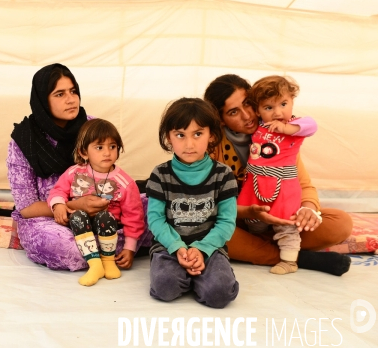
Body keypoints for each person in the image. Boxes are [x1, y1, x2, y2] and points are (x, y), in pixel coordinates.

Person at [203, 74, 352, 276]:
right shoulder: (210, 146)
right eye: (233, 112)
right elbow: (209, 203)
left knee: (340, 223)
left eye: (248, 104)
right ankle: (294, 256)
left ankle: (262, 249)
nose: (247, 116)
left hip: (282, 217)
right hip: (239, 222)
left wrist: (308, 210)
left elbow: (303, 184)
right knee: (206, 229)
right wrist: (249, 212)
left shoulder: (282, 134)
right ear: (220, 120)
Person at [7, 64, 150, 271]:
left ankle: (117, 246)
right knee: (65, 247)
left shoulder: (91, 126)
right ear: (42, 100)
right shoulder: (24, 141)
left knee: (157, 207)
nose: (71, 99)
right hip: (52, 218)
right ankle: (117, 248)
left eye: (73, 91)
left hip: (105, 213)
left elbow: (108, 172)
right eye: (59, 94)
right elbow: (27, 207)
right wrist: (75, 206)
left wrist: (102, 205)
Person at [147, 98, 239, 308]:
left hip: (210, 247)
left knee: (220, 293)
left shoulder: (223, 175)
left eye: (198, 134)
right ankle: (186, 275)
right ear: (169, 138)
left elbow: (226, 222)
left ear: (211, 135)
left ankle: (200, 276)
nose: (189, 144)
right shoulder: (160, 175)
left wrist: (202, 249)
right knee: (165, 286)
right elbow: (155, 219)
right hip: (169, 247)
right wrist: (177, 247)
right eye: (180, 135)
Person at [47, 119, 145, 286]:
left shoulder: (125, 183)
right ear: (84, 152)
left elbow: (134, 216)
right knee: (78, 215)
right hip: (79, 224)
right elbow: (57, 191)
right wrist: (58, 205)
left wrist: (129, 248)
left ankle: (108, 261)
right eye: (99, 147)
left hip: (108, 228)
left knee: (105, 217)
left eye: (112, 147)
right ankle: (95, 264)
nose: (107, 153)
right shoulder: (74, 172)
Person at [237, 76, 318, 275]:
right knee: (255, 224)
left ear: (292, 101)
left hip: (282, 185)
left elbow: (312, 125)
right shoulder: (259, 127)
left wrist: (287, 128)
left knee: (287, 224)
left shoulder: (295, 126)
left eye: (284, 104)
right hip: (255, 183)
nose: (278, 112)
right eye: (268, 108)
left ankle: (289, 261)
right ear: (257, 111)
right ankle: (265, 243)